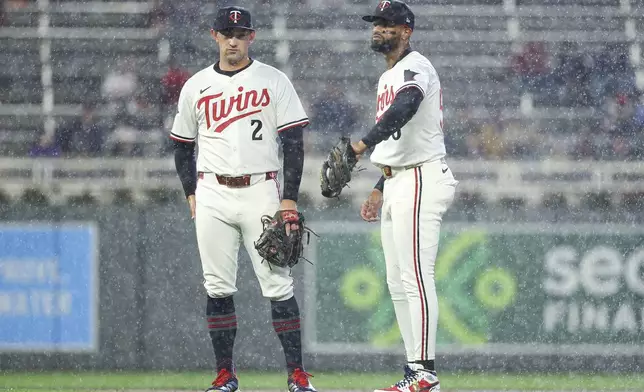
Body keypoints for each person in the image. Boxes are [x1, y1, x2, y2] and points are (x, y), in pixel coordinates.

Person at [170, 6, 315, 392]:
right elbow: (182, 146)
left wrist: (289, 199)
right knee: (217, 287)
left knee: (279, 285)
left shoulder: (273, 79)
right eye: (226, 32)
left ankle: (296, 375)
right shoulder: (196, 85)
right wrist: (190, 192)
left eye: (241, 33)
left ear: (252, 37)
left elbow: (294, 143)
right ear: (214, 36)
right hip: (212, 191)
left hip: (261, 190)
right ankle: (225, 374)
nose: (233, 39)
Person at [353, 2, 458, 391]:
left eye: (386, 24)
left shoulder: (417, 67)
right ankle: (414, 371)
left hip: (422, 177)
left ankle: (425, 369)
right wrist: (380, 187)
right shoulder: (387, 76)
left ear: (406, 31)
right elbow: (399, 137)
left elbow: (406, 107)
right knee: (397, 282)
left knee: (415, 275)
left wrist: (362, 145)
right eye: (375, 23)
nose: (377, 29)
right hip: (398, 178)